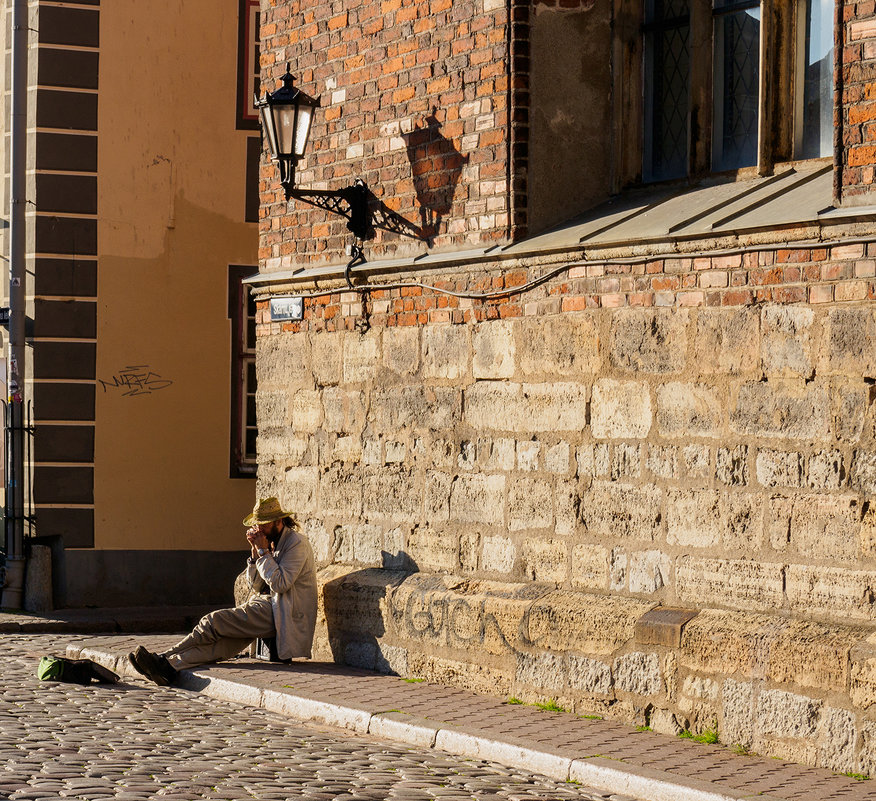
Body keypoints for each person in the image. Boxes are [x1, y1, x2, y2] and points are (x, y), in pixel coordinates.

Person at [129, 497, 318, 686]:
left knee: (212, 622)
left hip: (283, 611)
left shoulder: (296, 543)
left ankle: (162, 657)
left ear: (279, 522)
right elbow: (255, 585)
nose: (260, 530)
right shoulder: (269, 542)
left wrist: (262, 552)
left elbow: (280, 584)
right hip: (265, 605)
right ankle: (168, 668)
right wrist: (255, 553)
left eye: (264, 525)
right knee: (221, 647)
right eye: (257, 526)